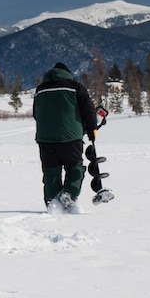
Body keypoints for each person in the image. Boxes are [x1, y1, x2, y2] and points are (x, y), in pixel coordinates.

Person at [33, 62, 97, 211]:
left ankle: (52, 203)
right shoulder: (75, 87)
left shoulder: (40, 90)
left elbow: (36, 114)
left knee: (51, 172)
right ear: (67, 73)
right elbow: (88, 109)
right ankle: (69, 193)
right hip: (70, 137)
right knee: (75, 168)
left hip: (45, 138)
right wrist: (92, 128)